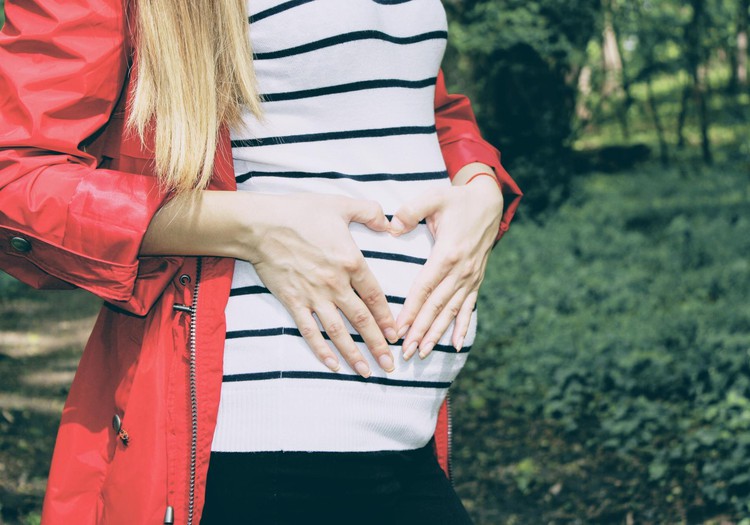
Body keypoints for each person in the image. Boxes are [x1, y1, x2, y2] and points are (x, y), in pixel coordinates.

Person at [0, 0, 522, 524]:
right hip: (258, 433)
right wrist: (257, 227)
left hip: (406, 433)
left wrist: (479, 184)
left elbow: (406, 96)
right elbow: (16, 180)